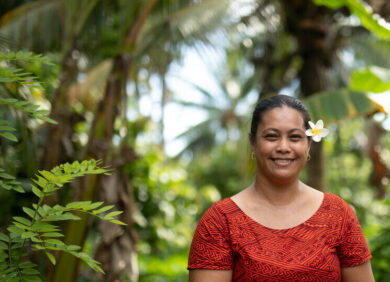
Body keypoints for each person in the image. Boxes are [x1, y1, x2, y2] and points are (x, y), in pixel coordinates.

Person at [187, 95, 374, 281]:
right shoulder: (220, 222)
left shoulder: (338, 214)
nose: (283, 147)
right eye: (271, 136)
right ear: (253, 143)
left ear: (308, 145)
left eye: (295, 137)